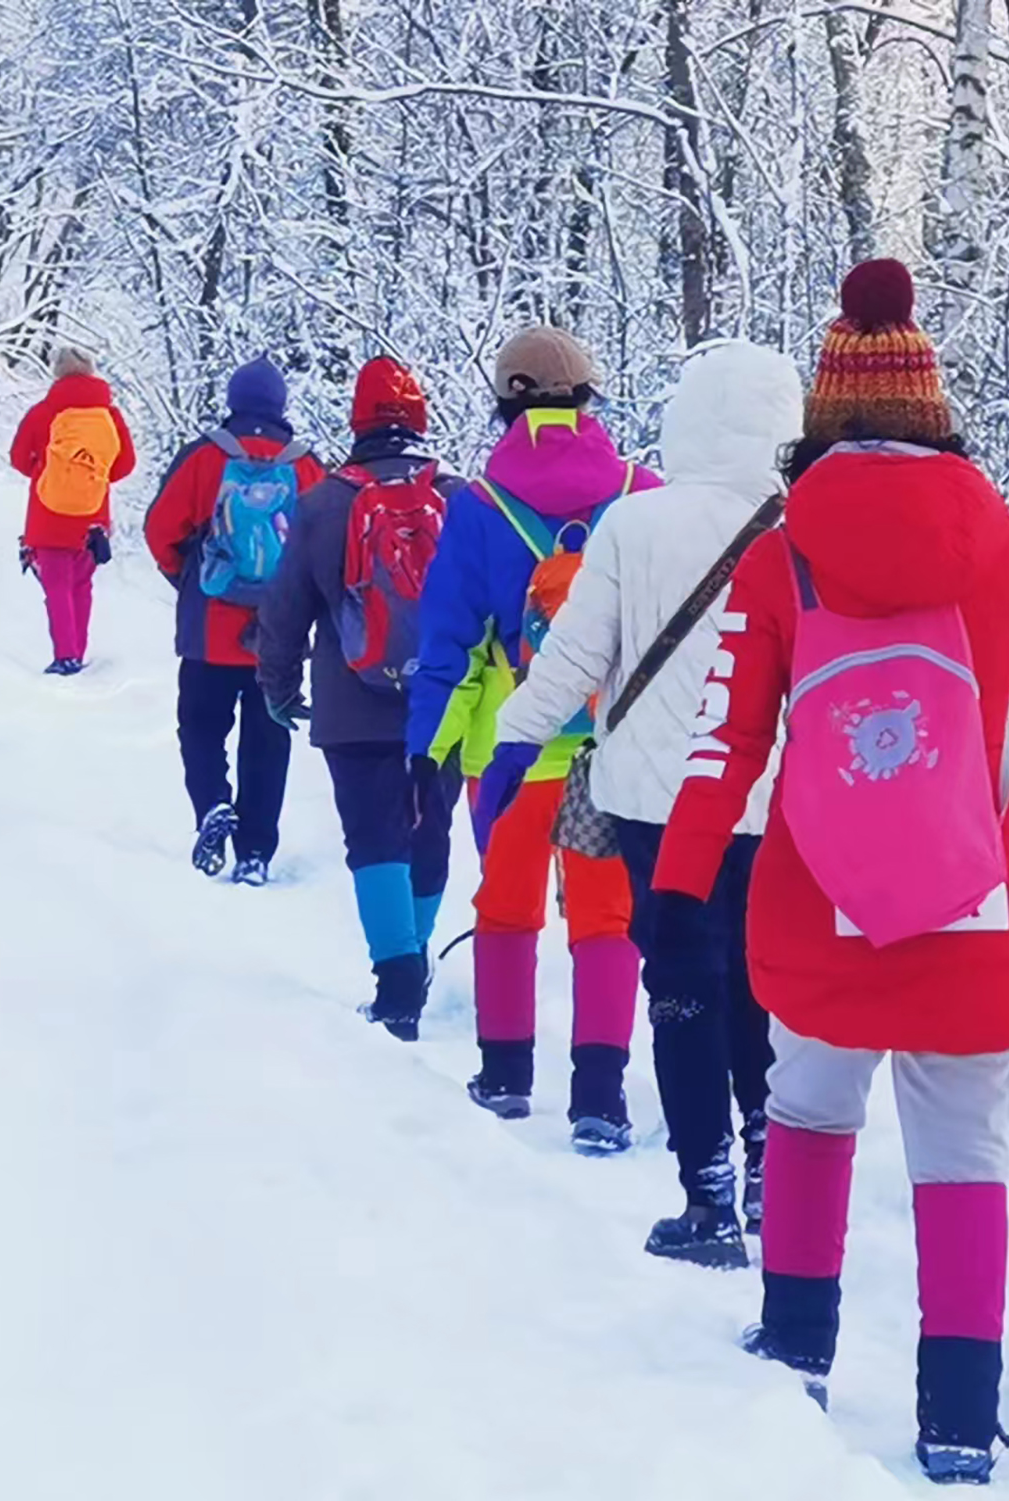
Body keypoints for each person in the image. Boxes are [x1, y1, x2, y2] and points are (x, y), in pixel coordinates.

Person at [651, 260, 1009, 1484]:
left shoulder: (779, 555)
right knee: (961, 1156)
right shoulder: (999, 542)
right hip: (978, 902)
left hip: (820, 901)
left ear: (822, 415)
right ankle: (956, 1416)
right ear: (931, 408)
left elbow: (724, 741)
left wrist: (680, 881)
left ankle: (795, 1350)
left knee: (805, 1114)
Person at [483, 341, 802, 1265]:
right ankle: (767, 1165)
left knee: (682, 990)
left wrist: (514, 740)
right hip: (767, 802)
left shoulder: (634, 524)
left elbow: (576, 658)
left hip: (657, 806)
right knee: (757, 987)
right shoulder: (800, 526)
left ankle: (706, 1201)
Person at [405, 326, 659, 1154]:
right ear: (588, 400)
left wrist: (426, 748)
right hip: (611, 750)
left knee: (507, 910)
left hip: (507, 750)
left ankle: (507, 1075)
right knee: (607, 918)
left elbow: (448, 639)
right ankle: (600, 1098)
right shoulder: (641, 493)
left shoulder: (478, 506)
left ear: (507, 404)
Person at [258, 358, 462, 1039]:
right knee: (429, 827)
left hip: (352, 703)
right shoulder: (459, 497)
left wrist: (279, 688)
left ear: (357, 420)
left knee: (374, 837)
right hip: (446, 700)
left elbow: (285, 610)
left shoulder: (324, 501)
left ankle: (396, 976)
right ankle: (416, 957)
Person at [145, 357, 326, 886]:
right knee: (268, 739)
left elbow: (160, 530)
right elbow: (323, 547)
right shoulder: (307, 467)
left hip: (208, 630)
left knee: (200, 727)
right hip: (279, 635)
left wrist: (191, 577)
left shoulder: (204, 457)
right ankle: (255, 853)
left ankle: (210, 806)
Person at [9, 347, 137, 674]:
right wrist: (94, 476)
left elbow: (19, 459)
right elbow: (125, 464)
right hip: (93, 516)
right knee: (82, 584)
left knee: (56, 588)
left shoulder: (42, 413)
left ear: (56, 373)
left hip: (48, 514)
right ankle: (78, 652)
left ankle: (66, 656)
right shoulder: (110, 416)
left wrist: (47, 471)